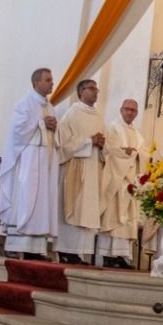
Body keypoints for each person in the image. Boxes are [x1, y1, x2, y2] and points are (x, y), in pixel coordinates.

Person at [0, 68, 61, 260]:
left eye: (51, 80)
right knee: (25, 199)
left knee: (42, 203)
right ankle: (15, 245)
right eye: (48, 80)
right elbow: (17, 130)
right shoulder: (24, 103)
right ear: (36, 83)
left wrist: (51, 127)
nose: (52, 83)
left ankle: (36, 249)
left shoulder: (50, 107)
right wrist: (41, 123)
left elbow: (52, 132)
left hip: (45, 159)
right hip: (29, 160)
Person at [55, 80, 107, 265]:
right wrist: (88, 141)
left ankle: (79, 252)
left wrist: (101, 145)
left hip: (93, 169)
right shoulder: (71, 114)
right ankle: (65, 251)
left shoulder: (99, 117)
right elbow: (64, 144)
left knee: (87, 210)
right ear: (81, 92)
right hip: (76, 169)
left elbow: (104, 145)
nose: (96, 92)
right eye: (92, 89)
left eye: (96, 89)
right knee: (74, 208)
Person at [99, 98, 145, 269]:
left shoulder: (138, 136)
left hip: (130, 182)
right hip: (116, 179)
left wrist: (137, 155)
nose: (130, 112)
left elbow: (143, 155)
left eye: (133, 110)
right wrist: (124, 153)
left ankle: (122, 255)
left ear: (137, 113)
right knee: (113, 216)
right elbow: (107, 151)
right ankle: (107, 255)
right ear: (121, 110)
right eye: (127, 109)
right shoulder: (111, 128)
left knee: (127, 220)